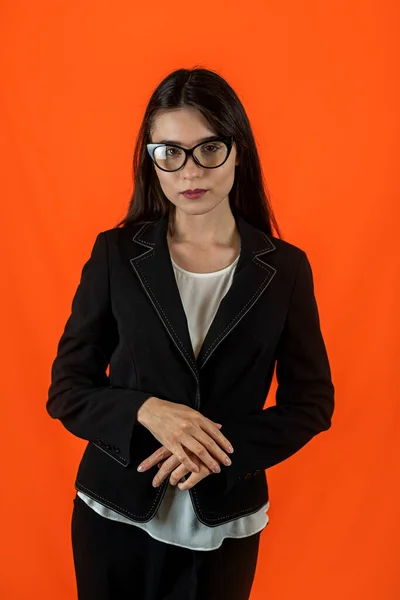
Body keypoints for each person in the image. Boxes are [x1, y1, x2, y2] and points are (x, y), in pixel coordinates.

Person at [47, 66, 335, 600]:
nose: (189, 170)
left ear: (237, 150)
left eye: (208, 149)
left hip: (225, 519)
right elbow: (67, 391)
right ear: (152, 160)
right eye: (170, 152)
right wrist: (146, 411)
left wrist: (217, 450)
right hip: (113, 511)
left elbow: (313, 403)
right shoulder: (116, 255)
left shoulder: (286, 269)